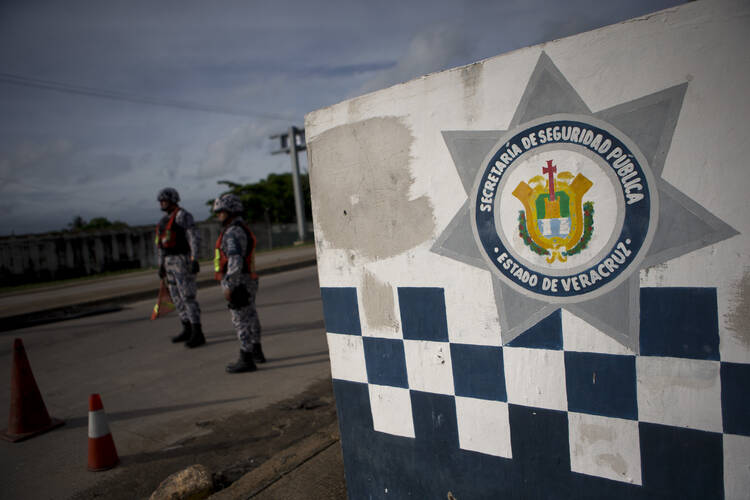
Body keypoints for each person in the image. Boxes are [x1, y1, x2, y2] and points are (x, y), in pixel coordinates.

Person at [212, 193, 265, 373]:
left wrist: (229, 285)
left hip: (239, 280)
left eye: (221, 212)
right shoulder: (242, 227)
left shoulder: (232, 232)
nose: (218, 215)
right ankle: (256, 351)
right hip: (248, 278)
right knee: (251, 315)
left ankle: (246, 358)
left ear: (231, 211)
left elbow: (234, 260)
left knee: (240, 320)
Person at [155, 187, 205, 348]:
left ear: (173, 201)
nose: (162, 203)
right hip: (169, 262)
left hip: (182, 260)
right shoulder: (163, 221)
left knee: (188, 297)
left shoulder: (182, 216)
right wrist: (161, 265)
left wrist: (194, 258)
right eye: (161, 201)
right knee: (176, 298)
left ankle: (198, 332)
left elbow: (193, 237)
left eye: (165, 200)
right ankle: (187, 328)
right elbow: (161, 246)